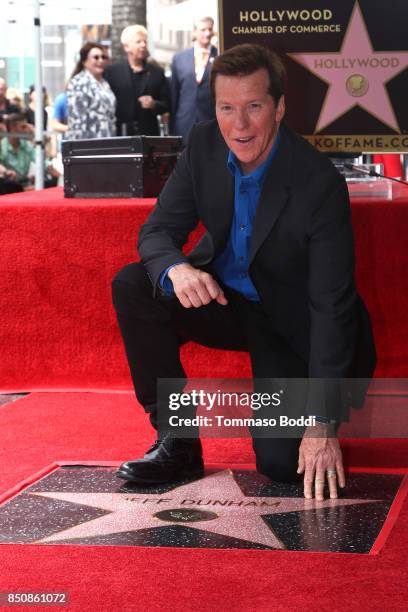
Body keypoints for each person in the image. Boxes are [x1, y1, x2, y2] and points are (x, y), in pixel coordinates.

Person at [112, 44, 376, 500]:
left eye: (254, 107)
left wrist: (321, 423)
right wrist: (177, 268)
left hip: (292, 322)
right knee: (135, 284)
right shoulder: (203, 144)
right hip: (224, 300)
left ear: (279, 108)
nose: (239, 125)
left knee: (281, 466)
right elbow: (157, 231)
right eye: (227, 108)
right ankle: (177, 441)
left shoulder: (318, 182)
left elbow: (331, 306)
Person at [104, 25, 170, 136]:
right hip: (120, 134)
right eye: (138, 42)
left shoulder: (157, 72)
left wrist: (154, 104)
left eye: (145, 41)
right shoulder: (112, 71)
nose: (143, 45)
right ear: (126, 46)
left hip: (149, 134)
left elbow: (167, 104)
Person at [170, 16, 217, 143]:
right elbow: (173, 95)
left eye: (210, 29)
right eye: (203, 29)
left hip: (211, 123)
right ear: (194, 31)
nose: (207, 33)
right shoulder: (179, 58)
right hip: (184, 124)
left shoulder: (220, 56)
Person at [66, 42, 116, 140]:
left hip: (106, 140)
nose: (100, 60)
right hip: (88, 144)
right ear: (84, 61)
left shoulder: (104, 83)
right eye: (96, 57)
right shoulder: (79, 82)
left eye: (103, 57)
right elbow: (78, 121)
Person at [0, 113, 60, 189]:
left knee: (51, 182)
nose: (26, 130)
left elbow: (42, 163)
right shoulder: (2, 146)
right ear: (13, 128)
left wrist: (62, 178)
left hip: (23, 185)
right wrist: (6, 172)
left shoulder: (27, 145)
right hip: (8, 187)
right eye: (23, 127)